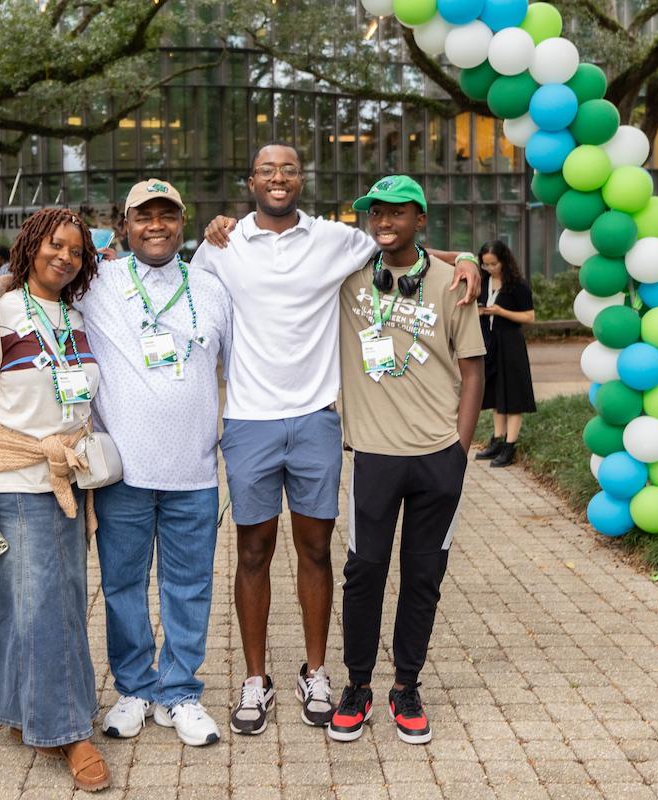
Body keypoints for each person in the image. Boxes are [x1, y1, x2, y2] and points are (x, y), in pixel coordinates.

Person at [194, 143, 480, 736]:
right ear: (251, 179)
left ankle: (319, 672)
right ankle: (256, 679)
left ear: (302, 179)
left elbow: (407, 250)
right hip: (248, 419)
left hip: (319, 421)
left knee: (318, 551)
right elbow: (178, 290)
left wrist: (471, 256)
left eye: (289, 169)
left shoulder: (335, 239)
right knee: (252, 551)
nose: (278, 177)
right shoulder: (221, 244)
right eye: (267, 168)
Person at [0, 179, 232, 748]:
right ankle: (135, 687)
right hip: (120, 474)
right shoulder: (97, 280)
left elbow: (237, 368)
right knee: (123, 587)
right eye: (143, 216)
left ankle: (180, 691)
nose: (155, 225)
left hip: (195, 472)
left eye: (167, 215)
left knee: (190, 587)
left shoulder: (211, 287)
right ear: (126, 225)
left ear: (182, 223)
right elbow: (40, 265)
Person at [0, 208, 109, 792]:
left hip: (66, 481)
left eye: (74, 249)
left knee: (29, 600)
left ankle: (18, 708)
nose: (63, 256)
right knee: (47, 607)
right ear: (29, 246)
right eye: (53, 245)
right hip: (18, 485)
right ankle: (66, 730)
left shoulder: (75, 315)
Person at [328, 175, 485, 745]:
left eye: (397, 213)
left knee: (424, 577)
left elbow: (473, 370)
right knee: (363, 572)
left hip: (436, 458)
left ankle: (407, 686)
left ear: (420, 217)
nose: (383, 222)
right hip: (372, 455)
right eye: (375, 213)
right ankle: (357, 685)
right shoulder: (347, 276)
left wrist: (459, 454)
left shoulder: (453, 284)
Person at [473, 240, 536, 467]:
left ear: (504, 261)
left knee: (513, 395)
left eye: (493, 264)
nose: (490, 268)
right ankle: (497, 440)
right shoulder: (483, 281)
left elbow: (529, 317)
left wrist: (501, 311)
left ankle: (510, 445)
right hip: (490, 342)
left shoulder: (517, 285)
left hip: (510, 344)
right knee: (496, 393)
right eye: (485, 264)